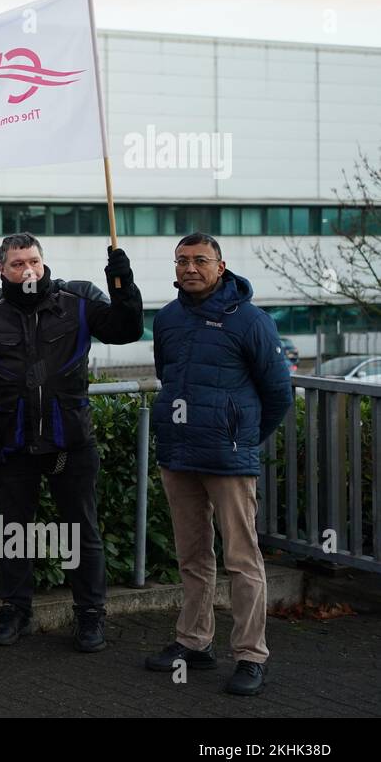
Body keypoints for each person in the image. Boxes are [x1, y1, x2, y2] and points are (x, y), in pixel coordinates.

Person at [0, 233, 142, 652]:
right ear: (2, 269)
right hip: (11, 444)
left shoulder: (78, 299)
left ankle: (90, 614)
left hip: (69, 442)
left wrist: (121, 282)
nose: (28, 270)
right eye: (18, 264)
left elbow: (127, 329)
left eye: (34, 261)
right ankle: (16, 610)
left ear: (44, 262)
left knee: (81, 530)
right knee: (14, 531)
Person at [146, 233, 292, 696]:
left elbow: (277, 394)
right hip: (179, 453)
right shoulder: (167, 318)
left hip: (228, 461)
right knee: (192, 557)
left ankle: (251, 656)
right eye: (182, 260)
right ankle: (194, 643)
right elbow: (165, 374)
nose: (190, 268)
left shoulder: (251, 322)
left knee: (242, 560)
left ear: (221, 265)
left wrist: (241, 439)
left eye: (200, 260)